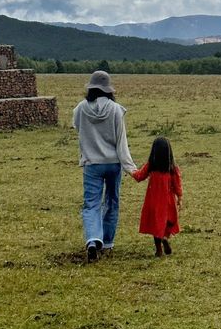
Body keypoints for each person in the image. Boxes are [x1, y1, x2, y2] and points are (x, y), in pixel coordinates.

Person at [72, 70, 137, 262]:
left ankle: (93, 239)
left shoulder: (81, 108)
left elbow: (77, 127)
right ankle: (107, 242)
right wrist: (130, 167)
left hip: (92, 164)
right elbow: (121, 140)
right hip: (113, 163)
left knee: (91, 203)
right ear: (108, 90)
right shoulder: (116, 109)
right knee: (112, 201)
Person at [131, 136, 183, 257]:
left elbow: (139, 176)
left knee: (155, 225)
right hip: (168, 202)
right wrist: (180, 198)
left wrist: (131, 171)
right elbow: (177, 185)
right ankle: (165, 237)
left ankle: (158, 249)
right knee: (166, 223)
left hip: (153, 202)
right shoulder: (172, 168)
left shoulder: (151, 166)